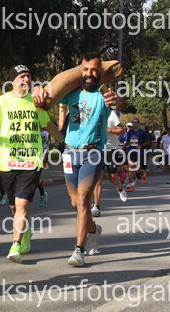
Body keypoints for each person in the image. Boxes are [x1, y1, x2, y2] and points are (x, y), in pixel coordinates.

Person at [0, 65, 63, 263]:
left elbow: (47, 124)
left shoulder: (35, 103)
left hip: (31, 160)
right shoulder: (1, 102)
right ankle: (25, 231)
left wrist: (65, 141)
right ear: (13, 80)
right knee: (14, 206)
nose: (26, 80)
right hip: (8, 162)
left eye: (28, 76)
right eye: (22, 76)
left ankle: (15, 244)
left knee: (22, 204)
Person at [36, 53, 117, 267]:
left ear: (100, 73)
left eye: (94, 70)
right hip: (70, 153)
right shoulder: (71, 94)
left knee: (82, 200)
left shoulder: (103, 95)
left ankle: (78, 251)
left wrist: (117, 101)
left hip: (93, 153)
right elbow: (48, 97)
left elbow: (117, 102)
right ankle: (93, 230)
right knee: (76, 203)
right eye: (86, 69)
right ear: (80, 72)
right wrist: (37, 89)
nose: (90, 74)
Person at [90, 97, 127, 217]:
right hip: (98, 150)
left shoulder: (112, 115)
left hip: (111, 150)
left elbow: (121, 131)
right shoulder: (94, 114)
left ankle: (119, 187)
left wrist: (108, 130)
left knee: (112, 178)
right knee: (98, 180)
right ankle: (97, 206)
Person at [124, 118, 150, 192]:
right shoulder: (130, 132)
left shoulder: (142, 132)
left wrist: (141, 145)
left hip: (139, 152)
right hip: (131, 151)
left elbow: (147, 142)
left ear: (138, 124)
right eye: (134, 122)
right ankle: (131, 185)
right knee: (130, 168)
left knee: (138, 170)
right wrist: (124, 147)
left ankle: (143, 173)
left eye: (136, 122)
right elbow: (128, 141)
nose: (135, 124)